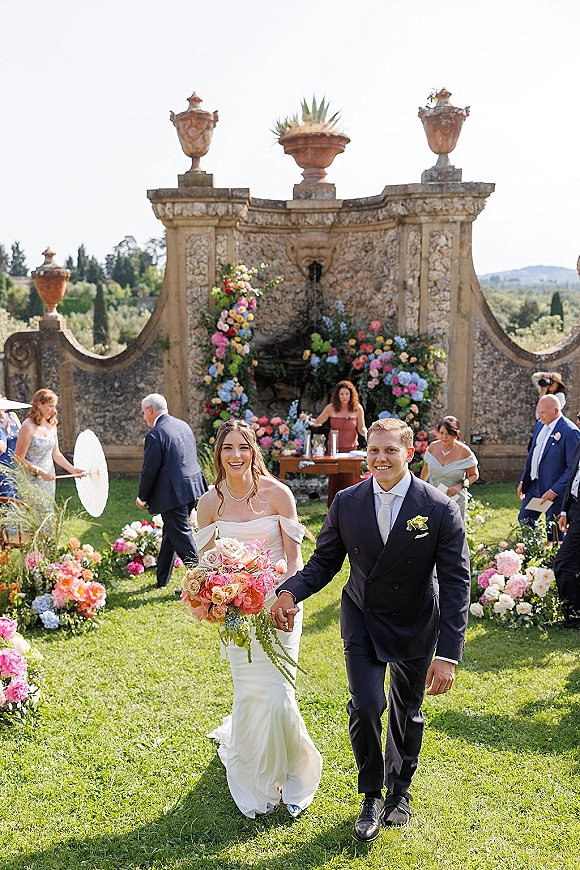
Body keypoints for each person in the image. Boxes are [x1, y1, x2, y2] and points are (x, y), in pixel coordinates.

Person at [271, 417, 470, 842]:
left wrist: (448, 653)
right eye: (374, 450)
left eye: (390, 451)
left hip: (416, 621)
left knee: (406, 712)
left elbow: (456, 584)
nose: (381, 458)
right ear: (366, 453)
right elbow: (325, 563)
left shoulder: (438, 507)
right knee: (365, 706)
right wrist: (289, 592)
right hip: (361, 616)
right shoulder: (347, 502)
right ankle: (370, 795)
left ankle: (400, 792)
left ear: (409, 453)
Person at [195, 418, 322, 819]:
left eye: (243, 447)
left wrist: (287, 595)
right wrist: (222, 593)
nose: (236, 455)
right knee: (250, 694)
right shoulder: (208, 504)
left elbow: (296, 558)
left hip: (279, 604)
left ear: (254, 451)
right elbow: (206, 564)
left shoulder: (278, 494)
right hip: (237, 613)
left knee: (280, 696)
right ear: (219, 453)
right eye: (228, 447)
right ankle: (256, 775)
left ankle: (294, 772)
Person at [136, 393, 207, 588]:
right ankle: (162, 579)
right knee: (171, 532)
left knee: (182, 537)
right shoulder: (182, 424)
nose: (144, 417)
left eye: (144, 413)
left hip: (174, 494)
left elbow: (149, 471)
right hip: (192, 488)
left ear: (150, 410)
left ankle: (204, 582)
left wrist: (142, 498)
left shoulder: (155, 434)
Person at [517, 395, 580, 537]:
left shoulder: (570, 432)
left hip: (554, 492)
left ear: (556, 411)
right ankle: (535, 550)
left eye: (543, 412)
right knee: (525, 520)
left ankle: (553, 559)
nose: (539, 416)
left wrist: (555, 490)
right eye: (539, 411)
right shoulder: (540, 425)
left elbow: (573, 467)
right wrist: (524, 480)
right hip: (535, 486)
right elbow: (533, 454)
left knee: (554, 531)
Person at [14, 389, 84, 500]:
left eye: (55, 406)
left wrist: (72, 469)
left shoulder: (51, 425)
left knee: (47, 512)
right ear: (39, 404)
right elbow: (18, 458)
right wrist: (39, 471)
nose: (54, 411)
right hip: (30, 478)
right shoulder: (27, 426)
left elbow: (56, 453)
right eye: (51, 406)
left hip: (49, 477)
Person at [309, 379, 367, 506]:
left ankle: (350, 506)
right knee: (335, 479)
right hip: (334, 449)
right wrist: (305, 420)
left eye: (347, 394)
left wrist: (368, 435)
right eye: (342, 394)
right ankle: (333, 506)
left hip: (351, 450)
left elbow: (361, 428)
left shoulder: (358, 409)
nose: (344, 396)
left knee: (350, 479)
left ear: (351, 395)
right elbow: (318, 422)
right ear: (337, 395)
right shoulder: (331, 408)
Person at [420, 415, 479, 521]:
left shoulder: (464, 452)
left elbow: (474, 475)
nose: (444, 437)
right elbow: (426, 469)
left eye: (448, 434)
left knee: (454, 532)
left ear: (455, 434)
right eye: (441, 433)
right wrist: (419, 489)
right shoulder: (433, 447)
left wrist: (460, 486)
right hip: (434, 499)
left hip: (455, 500)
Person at [554, 426, 580, 627]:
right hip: (574, 507)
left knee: (564, 562)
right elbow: (573, 477)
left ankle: (574, 614)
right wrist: (564, 511)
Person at [0, 404, 22, 497]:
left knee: (18, 486)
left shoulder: (12, 415)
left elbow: (22, 432)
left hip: (16, 457)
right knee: (7, 489)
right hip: (3, 459)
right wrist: (5, 433)